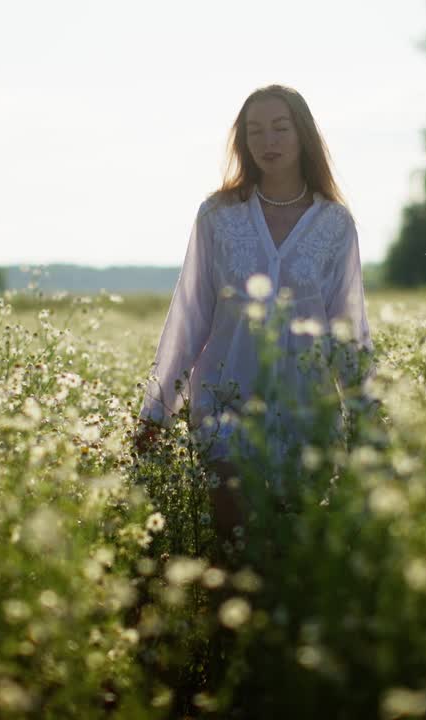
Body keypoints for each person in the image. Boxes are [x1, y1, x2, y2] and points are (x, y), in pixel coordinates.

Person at [133, 84, 374, 538]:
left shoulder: (336, 225)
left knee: (287, 554)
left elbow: (349, 328)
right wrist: (155, 414)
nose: (269, 141)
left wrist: (367, 418)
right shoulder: (217, 216)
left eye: (280, 128)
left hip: (308, 413)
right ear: (243, 140)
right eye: (256, 131)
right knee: (235, 539)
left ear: (302, 135)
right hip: (226, 407)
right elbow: (188, 316)